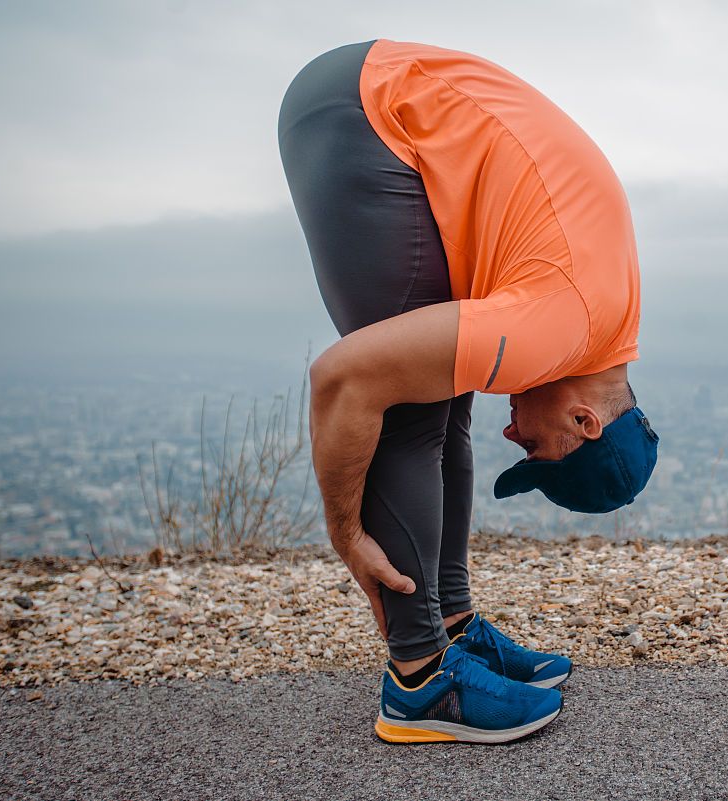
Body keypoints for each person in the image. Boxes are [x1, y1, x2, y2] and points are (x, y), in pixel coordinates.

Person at [277, 38, 659, 744]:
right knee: (408, 399)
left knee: (440, 393)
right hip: (366, 111)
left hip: (379, 97)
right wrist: (345, 531)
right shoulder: (555, 326)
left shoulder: (612, 324)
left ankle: (450, 623)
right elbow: (343, 377)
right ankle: (419, 680)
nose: (512, 434)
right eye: (536, 446)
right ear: (585, 420)